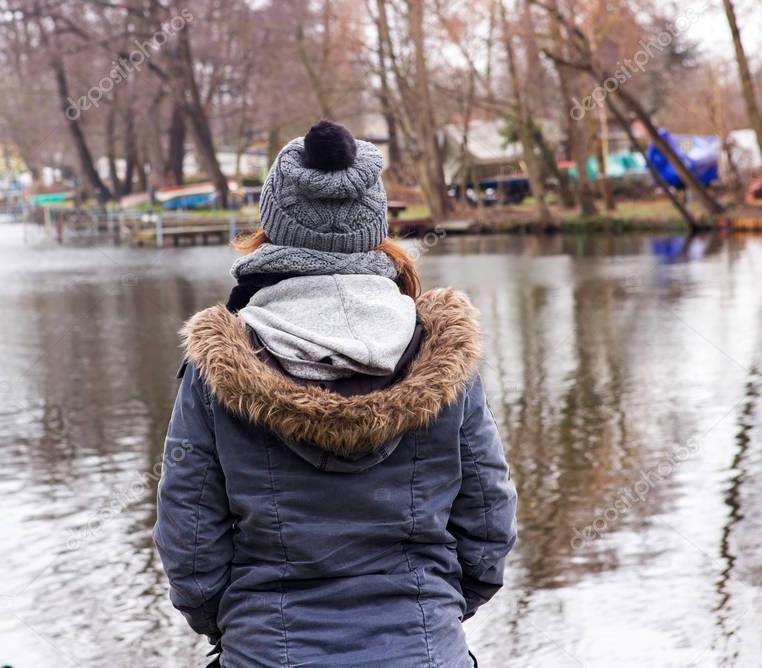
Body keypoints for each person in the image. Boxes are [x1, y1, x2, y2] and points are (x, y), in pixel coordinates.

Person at [154, 120, 517, 667]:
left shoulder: (217, 366)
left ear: (272, 225)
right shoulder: (444, 357)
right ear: (376, 224)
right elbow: (488, 526)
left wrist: (236, 627)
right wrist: (432, 615)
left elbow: (191, 543)